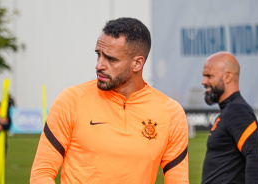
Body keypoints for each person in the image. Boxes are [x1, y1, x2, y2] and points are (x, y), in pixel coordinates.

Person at [30, 17, 189, 183]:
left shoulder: (171, 113)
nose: (99, 65)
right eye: (98, 55)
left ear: (137, 64)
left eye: (110, 59)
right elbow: (42, 173)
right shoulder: (71, 100)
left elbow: (178, 180)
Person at [201, 51, 258, 183]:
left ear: (227, 77)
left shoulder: (238, 111)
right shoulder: (229, 110)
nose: (203, 82)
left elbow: (254, 158)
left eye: (209, 76)